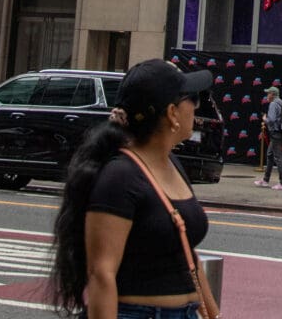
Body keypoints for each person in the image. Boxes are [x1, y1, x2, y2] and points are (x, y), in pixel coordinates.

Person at [50, 59, 217, 319]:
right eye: (191, 98)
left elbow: (186, 256)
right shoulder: (120, 176)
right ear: (172, 113)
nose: (196, 106)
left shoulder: (172, 163)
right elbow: (102, 274)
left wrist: (212, 313)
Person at [259, 86, 282, 191]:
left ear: (272, 94)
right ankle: (265, 180)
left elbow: (271, 120)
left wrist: (265, 119)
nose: (267, 96)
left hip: (276, 133)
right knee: (270, 155)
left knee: (277, 157)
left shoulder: (273, 104)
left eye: (268, 93)